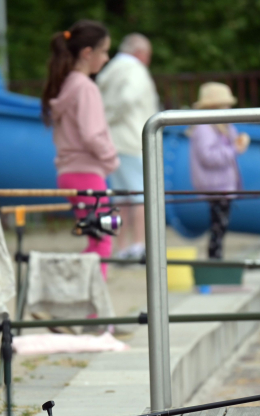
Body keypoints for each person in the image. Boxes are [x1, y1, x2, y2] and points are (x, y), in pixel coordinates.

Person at [42, 20, 119, 279]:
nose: (107, 58)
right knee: (104, 240)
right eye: (104, 51)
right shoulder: (85, 87)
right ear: (88, 53)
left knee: (96, 240)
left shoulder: (68, 84)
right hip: (87, 173)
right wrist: (111, 159)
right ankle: (86, 311)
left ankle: (77, 305)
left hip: (69, 173)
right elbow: (91, 134)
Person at [96, 33, 159, 261]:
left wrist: (105, 120)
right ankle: (138, 246)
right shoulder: (134, 69)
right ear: (140, 53)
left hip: (113, 141)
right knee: (141, 195)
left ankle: (120, 247)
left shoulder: (110, 68)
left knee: (119, 198)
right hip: (133, 140)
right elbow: (128, 98)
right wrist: (112, 115)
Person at [188, 82, 250, 259]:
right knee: (218, 225)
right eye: (226, 105)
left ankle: (216, 258)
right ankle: (214, 259)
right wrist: (234, 150)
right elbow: (208, 157)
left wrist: (236, 141)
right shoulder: (204, 128)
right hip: (215, 185)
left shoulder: (223, 127)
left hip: (222, 184)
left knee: (220, 225)